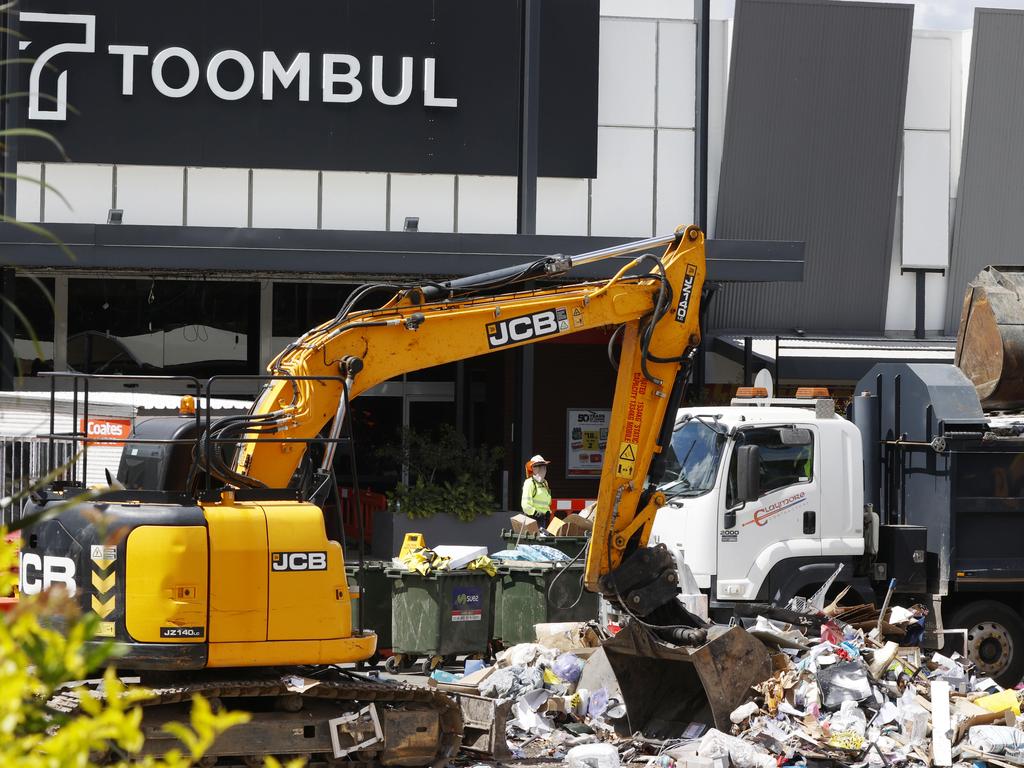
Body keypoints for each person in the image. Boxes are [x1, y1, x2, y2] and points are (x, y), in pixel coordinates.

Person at [521, 454, 553, 524]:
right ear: (534, 468)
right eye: (541, 466)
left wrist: (548, 511)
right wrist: (536, 513)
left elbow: (547, 502)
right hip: (531, 519)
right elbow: (525, 505)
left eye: (544, 466)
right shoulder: (529, 483)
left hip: (543, 520)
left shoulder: (545, 483)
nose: (544, 469)